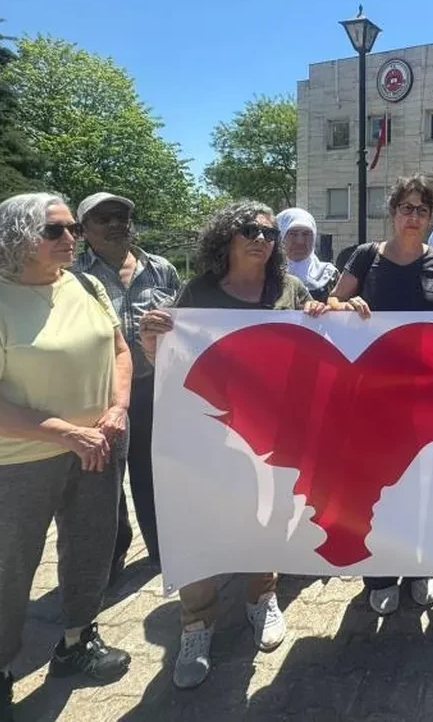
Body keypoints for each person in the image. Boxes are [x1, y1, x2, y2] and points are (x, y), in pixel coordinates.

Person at [0, 193, 133, 721]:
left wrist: (118, 407)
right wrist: (65, 433)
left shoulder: (86, 284)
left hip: (95, 446)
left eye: (72, 227)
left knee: (90, 551)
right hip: (10, 463)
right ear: (16, 238)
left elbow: (119, 349)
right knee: (3, 573)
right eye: (55, 230)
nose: (70, 237)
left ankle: (77, 642)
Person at [140, 201, 309, 690]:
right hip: (210, 430)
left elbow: (321, 339)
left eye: (267, 231)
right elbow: (172, 359)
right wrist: (154, 340)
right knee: (200, 519)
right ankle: (197, 622)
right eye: (247, 229)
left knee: (267, 512)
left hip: (273, 430)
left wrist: (330, 309)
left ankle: (262, 597)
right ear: (226, 236)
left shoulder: (290, 290)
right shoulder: (200, 291)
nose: (260, 238)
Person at [313, 175, 433, 616]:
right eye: (406, 208)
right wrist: (346, 305)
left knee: (420, 486)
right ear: (392, 213)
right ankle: (378, 575)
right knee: (374, 486)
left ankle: (419, 568)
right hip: (372, 397)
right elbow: (329, 304)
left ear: (431, 217)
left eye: (421, 209)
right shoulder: (365, 257)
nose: (413, 216)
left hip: (425, 396)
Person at [72, 191, 181, 581]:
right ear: (83, 229)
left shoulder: (162, 270)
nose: (116, 223)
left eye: (122, 216)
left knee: (155, 473)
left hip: (154, 390)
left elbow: (182, 325)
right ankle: (113, 553)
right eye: (104, 218)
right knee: (105, 482)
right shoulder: (71, 276)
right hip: (99, 395)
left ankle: (163, 548)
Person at [276, 207, 340, 301]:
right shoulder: (264, 274)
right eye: (293, 234)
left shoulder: (328, 275)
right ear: (280, 237)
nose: (300, 241)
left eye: (306, 234)